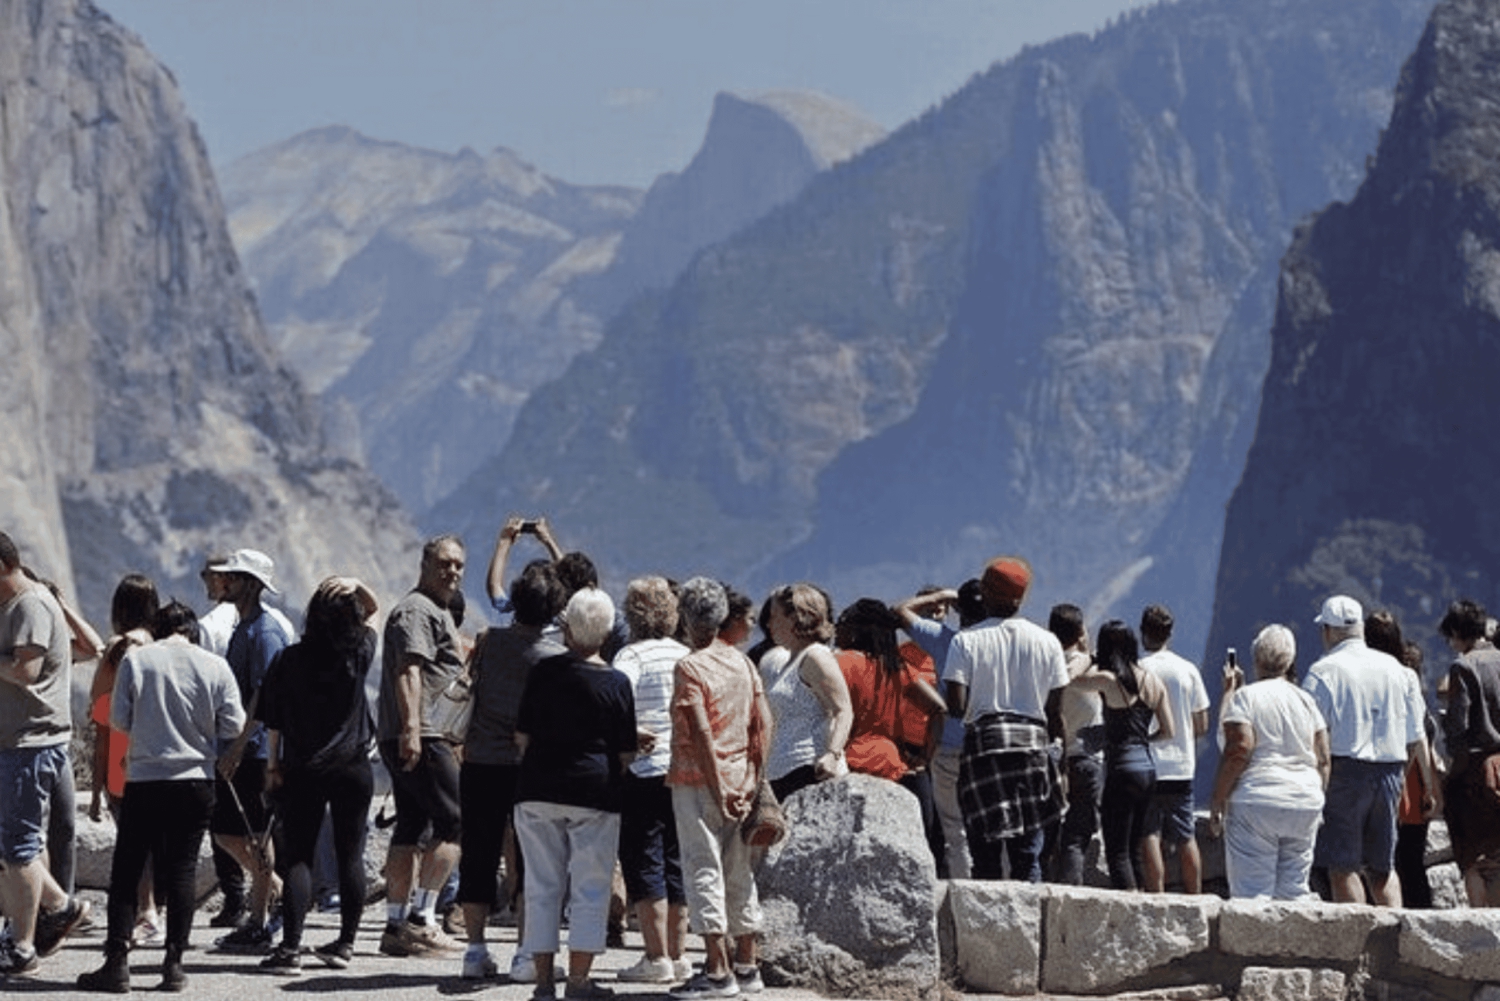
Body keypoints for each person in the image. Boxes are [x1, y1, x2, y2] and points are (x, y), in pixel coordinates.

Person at [76, 601, 245, 993]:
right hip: (195, 779)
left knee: (128, 870)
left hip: (146, 777)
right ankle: (173, 965)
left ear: (157, 627)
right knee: (182, 869)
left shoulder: (139, 660)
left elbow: (119, 719)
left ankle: (116, 963)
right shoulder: (214, 665)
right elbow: (233, 723)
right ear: (191, 630)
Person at [513, 587, 637, 1000]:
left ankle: (544, 981)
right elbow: (625, 751)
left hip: (537, 788)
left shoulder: (543, 673)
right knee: (591, 886)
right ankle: (580, 981)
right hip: (594, 792)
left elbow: (522, 735)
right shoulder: (617, 683)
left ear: (566, 627)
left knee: (541, 884)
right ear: (605, 633)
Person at [255, 578, 381, 973]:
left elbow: (272, 720)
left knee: (299, 858)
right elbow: (374, 611)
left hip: (304, 768)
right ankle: (345, 945)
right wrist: (357, 584)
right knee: (350, 856)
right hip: (353, 766)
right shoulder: (358, 653)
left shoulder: (289, 659)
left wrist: (272, 766)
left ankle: (290, 949)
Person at [459, 562, 567, 981]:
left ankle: (474, 950)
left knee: (479, 855)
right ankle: (526, 953)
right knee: (532, 861)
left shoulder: (489, 641)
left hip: (481, 760)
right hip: (531, 768)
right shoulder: (555, 658)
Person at [667, 577, 771, 1001]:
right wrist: (751, 779)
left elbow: (700, 731)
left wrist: (718, 785)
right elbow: (762, 724)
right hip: (740, 780)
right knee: (739, 869)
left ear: (686, 618)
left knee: (702, 867)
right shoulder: (743, 663)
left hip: (698, 783)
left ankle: (716, 970)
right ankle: (747, 963)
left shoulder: (690, 668)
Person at [1302, 594, 1439, 906]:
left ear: (1328, 631)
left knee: (1342, 866)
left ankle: (1355, 944)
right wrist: (1413, 782)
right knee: (1383, 868)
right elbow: (1415, 735)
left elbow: (1311, 734)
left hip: (1344, 773)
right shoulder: (1399, 671)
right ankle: (1393, 938)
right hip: (1391, 772)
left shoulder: (1323, 672)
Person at [944, 557, 1068, 883]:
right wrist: (1061, 757)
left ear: (984, 592)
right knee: (1028, 851)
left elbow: (956, 706)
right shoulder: (1048, 642)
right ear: (1022, 597)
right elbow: (1055, 711)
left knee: (984, 849)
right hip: (1033, 746)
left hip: (985, 745)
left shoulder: (965, 641)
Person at [0, 532, 90, 977]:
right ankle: (59, 905)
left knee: (18, 847)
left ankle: (21, 946)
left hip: (28, 744)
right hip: (23, 743)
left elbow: (25, 670)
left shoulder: (29, 606)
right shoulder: (19, 606)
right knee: (19, 841)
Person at [376, 535, 468, 956]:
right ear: (425, 564)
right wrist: (413, 729)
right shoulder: (417, 611)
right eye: (445, 563)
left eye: (459, 565)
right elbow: (407, 671)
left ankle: (395, 925)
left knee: (411, 825)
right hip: (423, 733)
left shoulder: (436, 610)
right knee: (454, 820)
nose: (452, 572)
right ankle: (422, 918)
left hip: (414, 732)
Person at [210, 549, 295, 952]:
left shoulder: (264, 632)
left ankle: (261, 916)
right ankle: (271, 890)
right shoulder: (245, 628)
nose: (225, 582)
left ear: (252, 583)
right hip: (241, 747)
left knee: (255, 833)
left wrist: (239, 747)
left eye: (235, 577)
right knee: (230, 831)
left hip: (256, 751)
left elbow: (265, 694)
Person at [1208, 625, 1330, 900]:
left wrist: (1218, 800)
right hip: (1305, 801)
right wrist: (1317, 797)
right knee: (1294, 892)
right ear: (1289, 661)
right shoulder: (1307, 701)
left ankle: (1252, 944)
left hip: (1257, 801)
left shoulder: (1246, 697)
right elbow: (1323, 758)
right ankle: (1294, 943)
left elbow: (1237, 749)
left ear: (1256, 660)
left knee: (1252, 894)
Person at [612, 577, 693, 985]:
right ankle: (680, 955)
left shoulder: (631, 656)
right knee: (677, 861)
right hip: (682, 770)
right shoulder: (685, 654)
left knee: (645, 861)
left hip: (642, 769)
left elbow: (613, 698)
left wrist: (629, 731)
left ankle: (655, 955)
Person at [834, 599, 947, 858]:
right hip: (893, 765)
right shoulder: (898, 667)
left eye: (842, 624)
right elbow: (939, 708)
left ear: (856, 629)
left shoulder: (842, 663)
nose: (837, 630)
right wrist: (925, 759)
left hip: (850, 761)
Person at [88, 575, 164, 945]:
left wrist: (96, 787)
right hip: (155, 751)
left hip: (121, 752)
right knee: (152, 837)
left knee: (132, 840)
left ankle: (145, 910)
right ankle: (152, 910)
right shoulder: (161, 644)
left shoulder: (118, 647)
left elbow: (100, 708)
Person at [893, 580, 986, 879]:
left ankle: (963, 888)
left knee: (953, 828)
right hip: (987, 744)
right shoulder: (1002, 642)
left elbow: (899, 611)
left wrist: (943, 595)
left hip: (947, 744)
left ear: (957, 609)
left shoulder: (946, 641)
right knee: (986, 824)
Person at [1073, 620, 1174, 891]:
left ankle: (1128, 908)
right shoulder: (1153, 682)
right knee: (1135, 847)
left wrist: (1088, 655)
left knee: (1117, 851)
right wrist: (1141, 740)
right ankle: (1140, 900)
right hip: (1147, 770)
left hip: (1121, 770)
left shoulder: (1109, 680)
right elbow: (1168, 730)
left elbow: (1071, 678)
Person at [1137, 604, 1209, 893]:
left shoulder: (1139, 670)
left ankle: (1156, 897)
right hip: (1181, 766)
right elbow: (1201, 724)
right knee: (1185, 836)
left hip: (1148, 764)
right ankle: (1195, 896)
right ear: (1170, 634)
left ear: (1143, 634)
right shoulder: (1187, 670)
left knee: (1149, 833)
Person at [1366, 610, 1435, 908]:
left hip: (1374, 776)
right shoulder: (1406, 677)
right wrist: (1430, 787)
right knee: (1412, 860)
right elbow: (1418, 737)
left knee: (1379, 861)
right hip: (1408, 780)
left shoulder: (1365, 674)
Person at [759, 583, 852, 802]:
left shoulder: (815, 656)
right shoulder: (787, 661)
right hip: (781, 772)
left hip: (809, 768)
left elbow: (843, 709)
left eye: (775, 616)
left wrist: (832, 753)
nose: (769, 623)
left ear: (796, 618)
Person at [1437, 599, 1500, 906]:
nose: (1451, 643)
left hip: (1475, 772)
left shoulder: (1464, 667)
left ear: (1460, 633)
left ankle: (1480, 919)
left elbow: (1458, 728)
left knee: (1472, 856)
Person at [1048, 603, 1103, 885]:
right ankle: (1071, 890)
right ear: (1081, 632)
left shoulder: (1046, 665)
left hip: (1054, 757)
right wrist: (1087, 649)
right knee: (1078, 831)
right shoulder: (1087, 667)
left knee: (1052, 828)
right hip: (1085, 758)